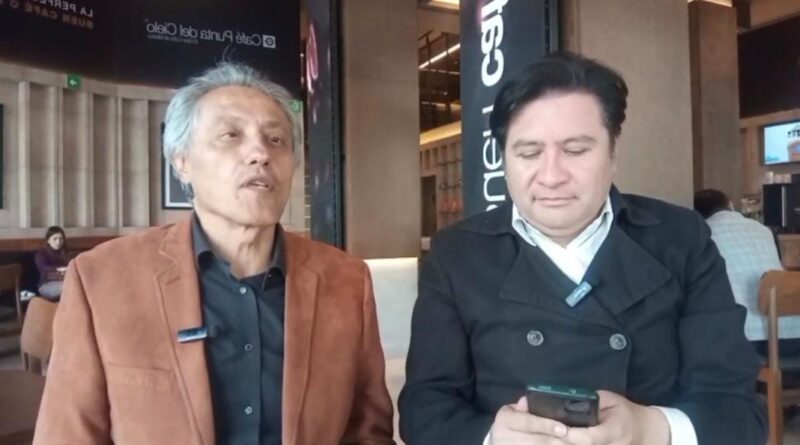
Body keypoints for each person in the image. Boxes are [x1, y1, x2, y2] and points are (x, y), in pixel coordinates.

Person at [399, 52, 766, 445]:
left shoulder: (680, 238)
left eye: (575, 150)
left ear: (613, 153)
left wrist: (650, 428)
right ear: (504, 160)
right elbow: (424, 409)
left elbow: (738, 412)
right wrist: (491, 438)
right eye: (529, 153)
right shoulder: (457, 255)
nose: (552, 176)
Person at [34, 62, 395, 445]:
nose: (259, 153)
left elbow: (367, 431)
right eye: (230, 135)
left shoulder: (346, 281)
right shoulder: (101, 280)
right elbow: (66, 435)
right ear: (182, 161)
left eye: (276, 139)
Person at [694, 189, 793, 357]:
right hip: (791, 332)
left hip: (745, 339)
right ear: (731, 205)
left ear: (696, 214)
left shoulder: (702, 235)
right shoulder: (763, 230)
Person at [34, 226, 69, 300]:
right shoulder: (41, 254)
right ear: (48, 240)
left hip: (63, 281)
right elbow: (45, 269)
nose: (58, 242)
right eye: (55, 239)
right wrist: (60, 269)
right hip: (46, 285)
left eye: (61, 239)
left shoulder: (65, 253)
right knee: (70, 286)